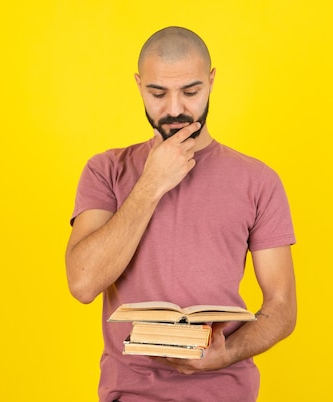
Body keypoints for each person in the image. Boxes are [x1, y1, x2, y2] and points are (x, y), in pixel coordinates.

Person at [65, 26, 296, 402]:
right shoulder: (105, 170)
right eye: (158, 93)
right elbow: (83, 283)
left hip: (226, 391)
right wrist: (152, 183)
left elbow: (283, 305)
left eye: (190, 92)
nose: (174, 109)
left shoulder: (259, 180)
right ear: (139, 86)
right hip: (129, 393)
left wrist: (227, 353)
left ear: (211, 81)